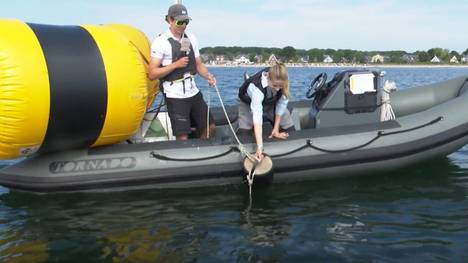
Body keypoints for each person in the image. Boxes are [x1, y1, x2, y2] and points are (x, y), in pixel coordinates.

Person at [148, 4, 216, 140]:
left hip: (193, 91)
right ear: (170, 20)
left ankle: (200, 151)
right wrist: (175, 65)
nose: (183, 25)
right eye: (180, 22)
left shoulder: (191, 38)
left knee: (210, 127)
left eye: (186, 21)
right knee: (182, 136)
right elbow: (152, 74)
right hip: (174, 94)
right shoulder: (160, 42)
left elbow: (198, 64)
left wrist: (208, 76)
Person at [238, 62, 295, 161]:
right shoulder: (257, 89)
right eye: (275, 85)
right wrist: (260, 147)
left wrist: (276, 129)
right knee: (245, 130)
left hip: (271, 101)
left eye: (280, 86)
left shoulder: (282, 84)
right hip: (248, 102)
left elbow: (281, 105)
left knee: (287, 123)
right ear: (268, 78)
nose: (277, 89)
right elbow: (257, 118)